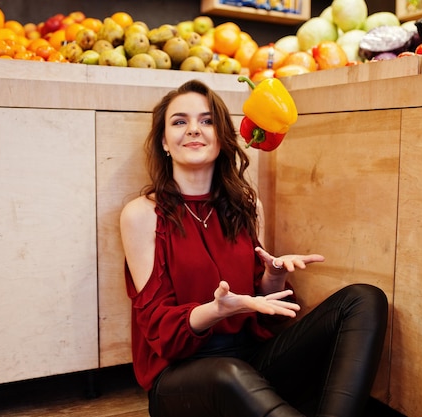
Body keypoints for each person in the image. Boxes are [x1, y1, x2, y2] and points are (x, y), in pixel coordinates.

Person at [119, 79, 388, 417]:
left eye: (207, 120)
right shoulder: (142, 215)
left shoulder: (247, 206)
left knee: (363, 298)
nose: (193, 130)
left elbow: (262, 305)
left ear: (221, 137)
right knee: (230, 372)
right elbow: (158, 328)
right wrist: (216, 310)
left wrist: (274, 276)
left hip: (251, 360)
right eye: (179, 121)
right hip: (182, 378)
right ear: (164, 142)